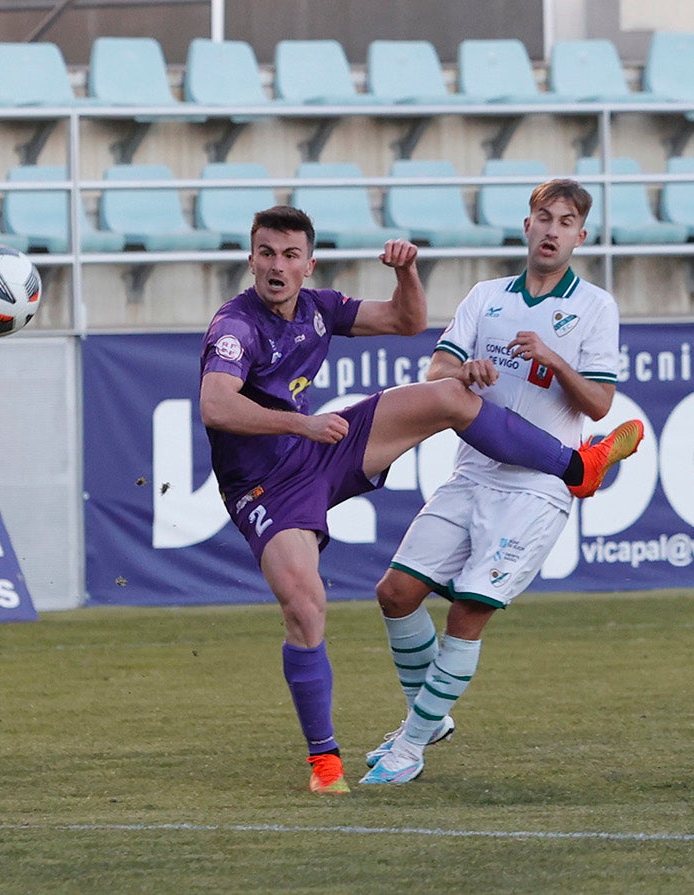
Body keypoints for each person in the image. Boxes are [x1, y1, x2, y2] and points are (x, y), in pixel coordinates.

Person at [199, 205, 642, 795]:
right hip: (265, 483)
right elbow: (216, 407)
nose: (276, 266)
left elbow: (408, 321)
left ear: (308, 263)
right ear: (250, 258)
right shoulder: (235, 325)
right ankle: (325, 761)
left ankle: (578, 467)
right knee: (308, 606)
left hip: (322, 451)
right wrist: (301, 426)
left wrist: (407, 273)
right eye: (265, 253)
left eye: (289, 255)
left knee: (448, 397)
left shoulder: (318, 307)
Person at [359, 179, 634, 785]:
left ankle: (411, 743)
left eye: (566, 221)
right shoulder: (485, 298)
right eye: (544, 216)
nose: (552, 229)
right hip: (472, 473)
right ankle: (431, 719)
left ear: (580, 237)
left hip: (537, 485)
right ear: (527, 225)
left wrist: (554, 360)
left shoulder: (594, 306)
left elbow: (598, 405)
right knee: (395, 593)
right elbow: (438, 369)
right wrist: (467, 370)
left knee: (467, 610)